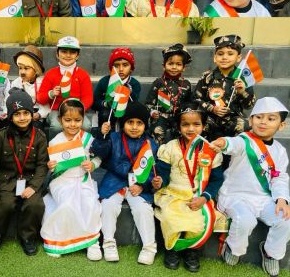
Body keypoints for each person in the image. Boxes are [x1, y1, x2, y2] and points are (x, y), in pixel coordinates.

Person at [210, 97, 290, 277]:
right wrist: (223, 143)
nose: (263, 122)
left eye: (271, 118)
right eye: (259, 117)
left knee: (286, 220)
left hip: (263, 198)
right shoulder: (244, 140)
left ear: (281, 125)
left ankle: (271, 253)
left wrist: (282, 199)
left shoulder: (280, 151)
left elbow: (279, 177)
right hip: (235, 196)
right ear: (251, 120)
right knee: (245, 220)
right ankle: (233, 248)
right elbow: (233, 144)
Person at [153, 105, 224, 272]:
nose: (191, 129)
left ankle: (192, 251)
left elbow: (216, 179)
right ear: (179, 127)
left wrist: (204, 198)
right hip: (173, 194)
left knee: (198, 221)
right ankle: (172, 250)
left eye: (196, 124)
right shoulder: (170, 147)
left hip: (198, 196)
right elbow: (163, 173)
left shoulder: (211, 150)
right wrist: (159, 182)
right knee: (170, 217)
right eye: (185, 124)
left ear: (204, 126)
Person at [0, 89, 48, 256]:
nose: (22, 118)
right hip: (8, 179)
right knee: (5, 204)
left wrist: (34, 187)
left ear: (31, 114)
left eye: (26, 113)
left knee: (34, 205)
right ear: (10, 117)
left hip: (31, 180)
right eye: (17, 114)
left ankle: (28, 237)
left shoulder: (40, 136)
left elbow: (42, 165)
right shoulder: (1, 135)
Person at [92, 103, 158, 264]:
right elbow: (99, 152)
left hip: (138, 184)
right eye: (130, 122)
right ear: (123, 123)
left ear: (145, 125)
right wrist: (102, 136)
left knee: (143, 209)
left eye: (139, 123)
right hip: (115, 181)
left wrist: (143, 185)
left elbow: (153, 171)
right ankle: (108, 243)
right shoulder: (113, 138)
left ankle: (149, 247)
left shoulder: (150, 144)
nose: (134, 127)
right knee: (108, 205)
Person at [41, 98, 102, 260]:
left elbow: (98, 158)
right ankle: (58, 241)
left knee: (89, 203)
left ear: (83, 120)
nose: (73, 124)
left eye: (77, 120)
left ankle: (92, 242)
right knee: (67, 204)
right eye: (68, 120)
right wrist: (50, 165)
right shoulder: (55, 141)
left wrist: (92, 165)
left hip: (82, 179)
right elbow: (52, 165)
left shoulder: (88, 138)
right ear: (60, 120)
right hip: (61, 181)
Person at [193, 35, 255, 141]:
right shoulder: (207, 77)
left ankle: (235, 150)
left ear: (238, 57)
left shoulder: (242, 78)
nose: (224, 57)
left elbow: (249, 105)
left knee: (244, 126)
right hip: (210, 118)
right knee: (196, 125)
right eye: (220, 54)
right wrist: (212, 108)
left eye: (230, 54)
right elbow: (196, 98)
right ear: (215, 57)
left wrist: (242, 92)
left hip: (233, 119)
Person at [36, 36, 92, 137]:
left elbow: (88, 97)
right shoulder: (51, 74)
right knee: (56, 127)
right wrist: (51, 94)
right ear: (57, 54)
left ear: (77, 56)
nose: (68, 55)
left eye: (72, 52)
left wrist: (78, 109)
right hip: (56, 110)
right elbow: (40, 98)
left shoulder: (83, 75)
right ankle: (55, 145)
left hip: (77, 110)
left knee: (86, 125)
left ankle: (83, 145)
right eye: (64, 51)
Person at [145, 44, 192, 145]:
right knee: (158, 131)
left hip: (179, 118)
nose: (174, 67)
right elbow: (148, 104)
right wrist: (152, 112)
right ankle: (157, 152)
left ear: (184, 67)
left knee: (182, 132)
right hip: (161, 117)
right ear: (164, 66)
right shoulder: (158, 83)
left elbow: (189, 103)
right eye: (170, 63)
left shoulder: (186, 84)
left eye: (178, 64)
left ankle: (180, 151)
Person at [92, 47, 141, 131]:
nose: (121, 69)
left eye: (125, 65)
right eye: (116, 65)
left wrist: (128, 92)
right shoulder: (104, 82)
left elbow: (134, 104)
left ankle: (124, 136)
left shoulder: (134, 84)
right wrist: (106, 104)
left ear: (131, 68)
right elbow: (94, 103)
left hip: (125, 112)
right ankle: (105, 134)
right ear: (111, 68)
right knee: (105, 114)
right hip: (107, 113)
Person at [11, 45, 45, 127]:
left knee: (35, 127)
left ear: (36, 69)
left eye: (26, 68)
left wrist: (39, 114)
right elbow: (13, 102)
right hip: (20, 114)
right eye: (20, 68)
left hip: (36, 114)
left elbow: (46, 106)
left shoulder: (43, 83)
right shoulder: (16, 83)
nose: (22, 72)